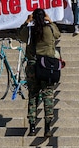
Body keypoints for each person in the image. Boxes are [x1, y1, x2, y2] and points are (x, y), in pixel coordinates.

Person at [18, 8, 62, 137]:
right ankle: (47, 127)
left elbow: (19, 34)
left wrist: (27, 21)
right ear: (44, 17)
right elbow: (58, 34)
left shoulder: (30, 31)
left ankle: (32, 126)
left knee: (33, 96)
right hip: (47, 66)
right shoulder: (50, 29)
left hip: (33, 66)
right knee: (48, 96)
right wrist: (51, 21)